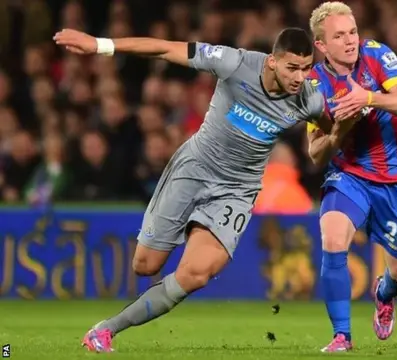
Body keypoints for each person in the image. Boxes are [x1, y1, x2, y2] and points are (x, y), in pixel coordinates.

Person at [53, 26, 345, 353]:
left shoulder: (309, 99)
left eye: (307, 68)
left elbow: (329, 132)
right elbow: (165, 48)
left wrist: (337, 137)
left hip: (237, 190)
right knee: (145, 266)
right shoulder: (234, 63)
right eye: (293, 67)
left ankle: (106, 330)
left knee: (196, 274)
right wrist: (100, 44)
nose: (300, 77)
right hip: (195, 169)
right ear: (273, 62)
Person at [306, 1, 397, 352]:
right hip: (350, 174)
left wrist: (367, 97)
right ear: (321, 45)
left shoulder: (377, 56)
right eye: (339, 35)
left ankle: (383, 293)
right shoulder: (314, 84)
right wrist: (339, 133)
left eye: (352, 31)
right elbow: (315, 154)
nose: (350, 40)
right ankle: (343, 336)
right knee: (332, 237)